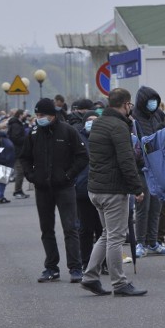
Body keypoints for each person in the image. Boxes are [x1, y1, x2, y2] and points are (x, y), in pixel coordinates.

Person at [80, 88, 147, 297]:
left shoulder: (99, 122)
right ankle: (119, 283)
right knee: (116, 237)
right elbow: (126, 161)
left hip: (96, 189)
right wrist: (137, 188)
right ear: (126, 105)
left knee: (106, 234)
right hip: (113, 190)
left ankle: (90, 277)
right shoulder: (119, 127)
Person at [19, 98, 87, 283]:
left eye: (42, 115)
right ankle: (51, 267)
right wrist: (31, 175)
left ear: (52, 115)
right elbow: (24, 157)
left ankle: (75, 268)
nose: (38, 118)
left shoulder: (68, 131)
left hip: (64, 188)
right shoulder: (33, 134)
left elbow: (82, 157)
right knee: (46, 229)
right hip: (42, 189)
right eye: (37, 115)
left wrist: (68, 175)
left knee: (70, 228)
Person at [131, 86, 165, 256]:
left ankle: (153, 241)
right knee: (143, 207)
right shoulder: (134, 119)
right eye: (149, 101)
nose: (152, 104)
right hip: (142, 168)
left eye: (154, 100)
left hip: (158, 167)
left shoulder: (158, 115)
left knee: (157, 206)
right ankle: (140, 242)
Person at [76, 111, 103, 268]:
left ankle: (103, 262)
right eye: (89, 120)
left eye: (95, 120)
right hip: (82, 189)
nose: (91, 123)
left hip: (101, 189)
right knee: (85, 229)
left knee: (101, 229)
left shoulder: (103, 138)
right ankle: (85, 262)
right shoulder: (78, 138)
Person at [7, 109, 30, 199]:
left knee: (20, 171)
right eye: (24, 114)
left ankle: (19, 190)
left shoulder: (17, 124)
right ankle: (17, 191)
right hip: (17, 151)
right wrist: (26, 139)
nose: (25, 116)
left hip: (18, 151)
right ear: (20, 115)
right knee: (20, 172)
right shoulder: (16, 125)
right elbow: (16, 138)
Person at [0, 120, 16, 204]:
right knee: (2, 182)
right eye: (3, 128)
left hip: (7, 161)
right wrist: (2, 159)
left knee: (3, 181)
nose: (5, 129)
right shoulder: (0, 138)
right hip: (4, 161)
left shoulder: (5, 137)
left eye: (6, 127)